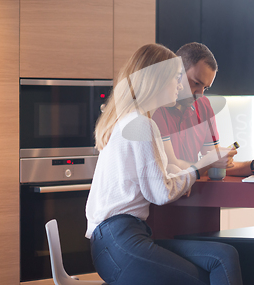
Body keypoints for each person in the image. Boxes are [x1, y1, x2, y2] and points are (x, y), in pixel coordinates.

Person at [85, 44, 243, 285]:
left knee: (223, 256)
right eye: (176, 79)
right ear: (156, 81)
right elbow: (160, 192)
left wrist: (184, 174)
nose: (181, 87)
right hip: (119, 241)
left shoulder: (136, 120)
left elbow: (164, 175)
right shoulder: (141, 125)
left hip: (119, 239)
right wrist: (197, 169)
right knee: (204, 278)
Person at [152, 42, 254, 177]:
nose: (200, 94)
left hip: (198, 197)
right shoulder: (157, 110)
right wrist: (209, 162)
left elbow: (215, 165)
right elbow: (171, 167)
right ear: (177, 73)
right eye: (196, 83)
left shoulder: (203, 106)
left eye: (205, 87)